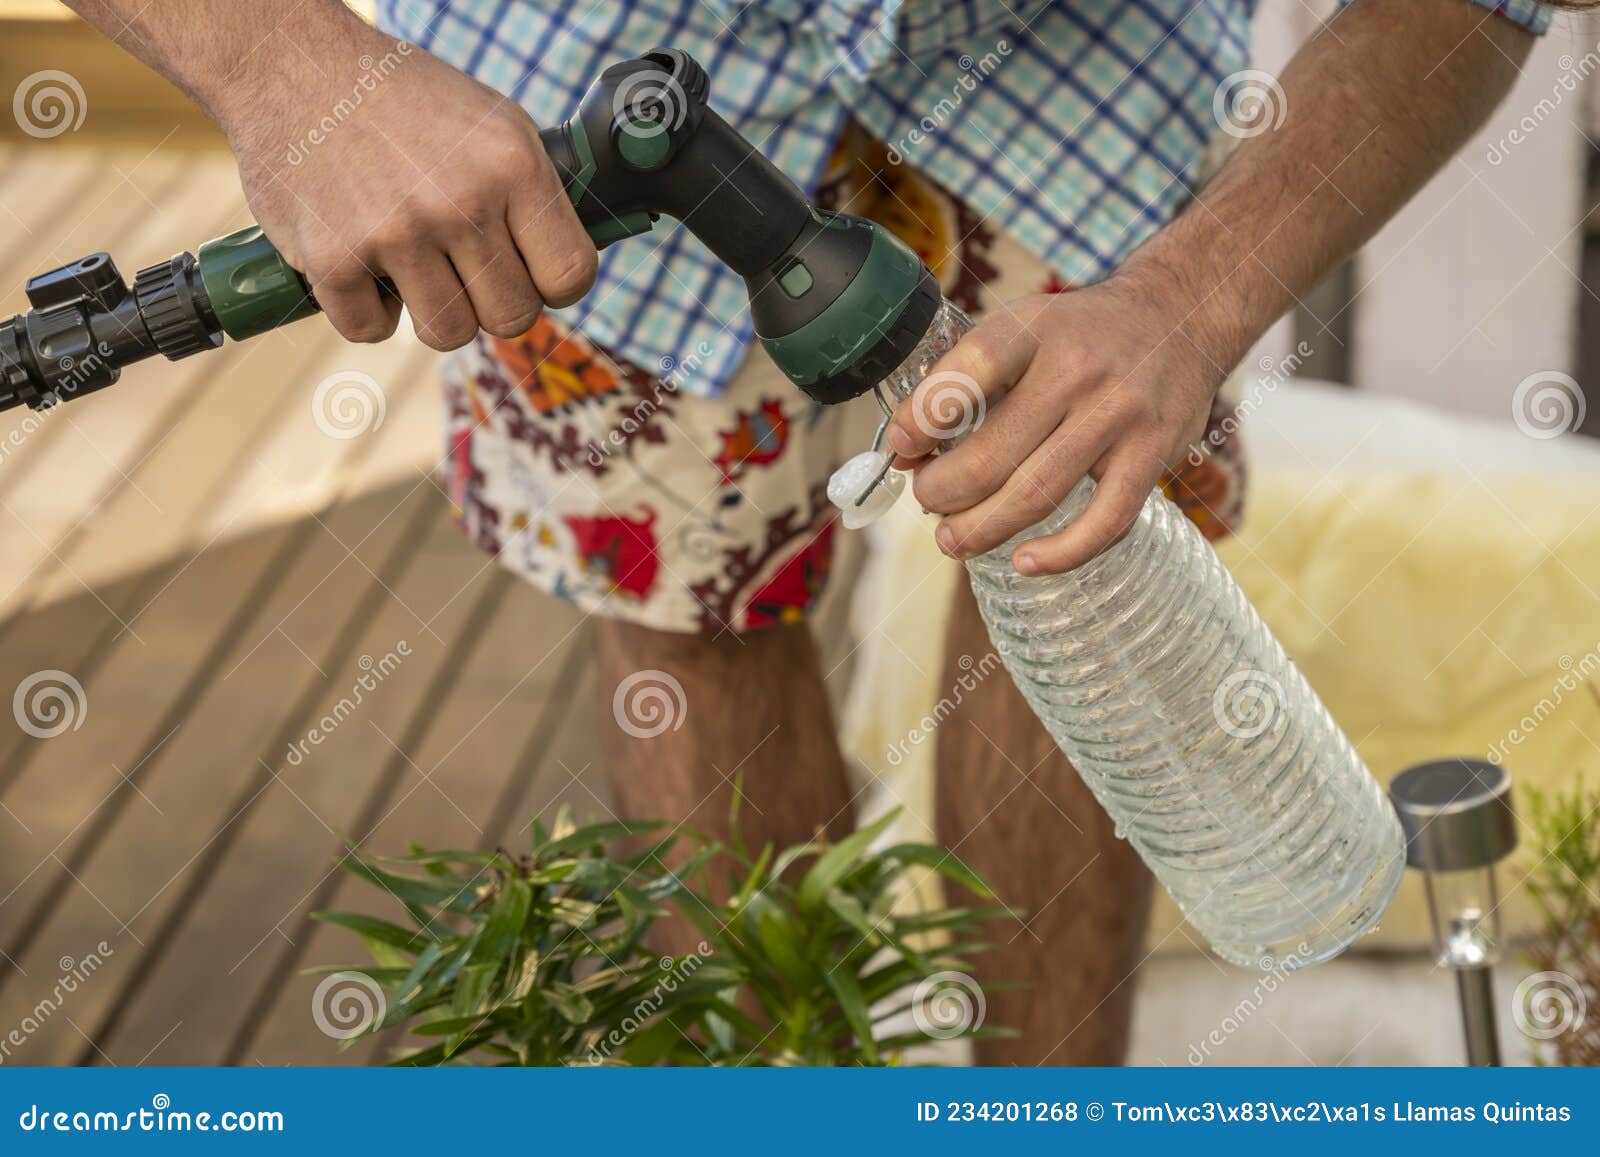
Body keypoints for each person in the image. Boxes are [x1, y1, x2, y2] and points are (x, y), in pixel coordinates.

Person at [65, 0, 1554, 1064]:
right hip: (562, 78)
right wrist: (291, 61)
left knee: (1075, 542)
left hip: (1070, 53)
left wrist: (1192, 295)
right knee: (690, 612)